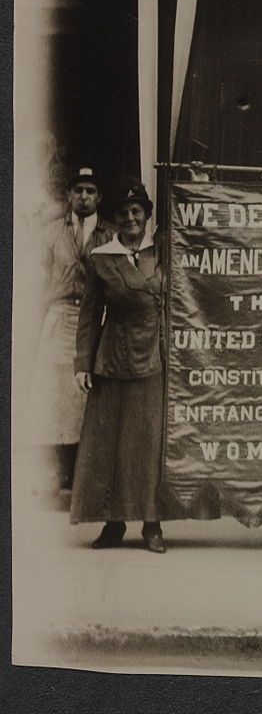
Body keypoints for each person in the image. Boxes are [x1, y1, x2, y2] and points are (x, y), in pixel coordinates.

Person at [71, 179, 166, 553]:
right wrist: (83, 363)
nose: (130, 218)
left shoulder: (161, 253)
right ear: (115, 218)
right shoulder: (101, 257)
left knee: (147, 446)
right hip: (111, 360)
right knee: (110, 446)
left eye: (137, 211)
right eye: (124, 213)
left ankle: (152, 525)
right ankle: (113, 524)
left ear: (146, 216)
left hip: (153, 360)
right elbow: (89, 314)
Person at [30, 166, 114, 503]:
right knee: (51, 396)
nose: (83, 196)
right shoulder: (51, 233)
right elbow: (37, 281)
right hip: (59, 315)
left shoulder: (109, 235)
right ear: (69, 195)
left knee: (88, 394)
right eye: (78, 190)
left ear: (99, 197)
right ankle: (54, 473)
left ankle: (86, 476)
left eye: (90, 190)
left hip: (93, 318)